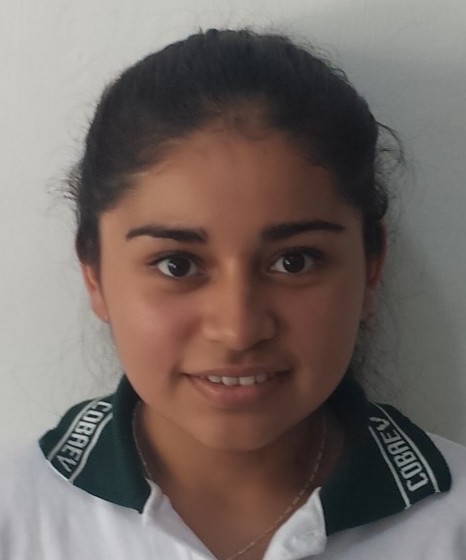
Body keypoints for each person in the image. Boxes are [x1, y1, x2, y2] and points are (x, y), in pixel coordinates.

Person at [1, 28, 465, 560]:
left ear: (371, 265)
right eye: (177, 265)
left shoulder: (451, 526)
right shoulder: (17, 518)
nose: (239, 329)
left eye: (295, 261)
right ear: (94, 274)